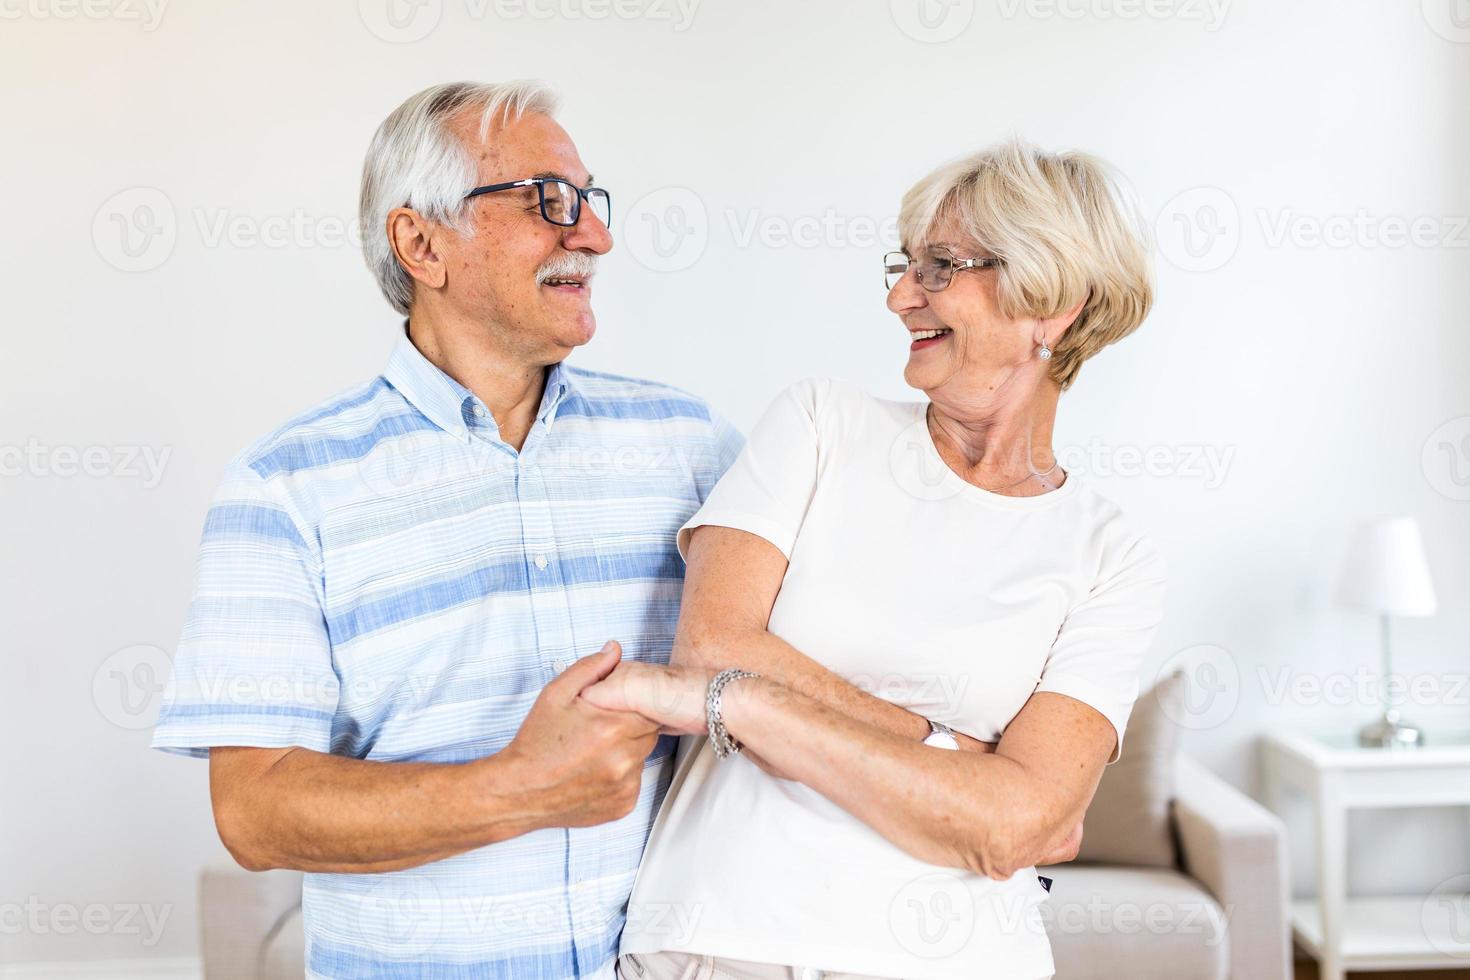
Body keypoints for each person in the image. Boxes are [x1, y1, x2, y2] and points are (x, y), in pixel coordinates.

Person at [151, 80, 742, 978]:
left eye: (589, 200)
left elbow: (794, 675)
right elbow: (255, 811)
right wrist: (521, 788)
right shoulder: (285, 489)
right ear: (420, 242)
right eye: (548, 200)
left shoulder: (689, 445)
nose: (595, 234)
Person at [586, 139, 1168, 980]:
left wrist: (743, 704)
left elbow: (1018, 825)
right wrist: (945, 750)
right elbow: (711, 649)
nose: (902, 296)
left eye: (940, 267)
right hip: (721, 937)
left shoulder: (1112, 553)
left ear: (1055, 302)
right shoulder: (822, 424)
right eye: (906, 264)